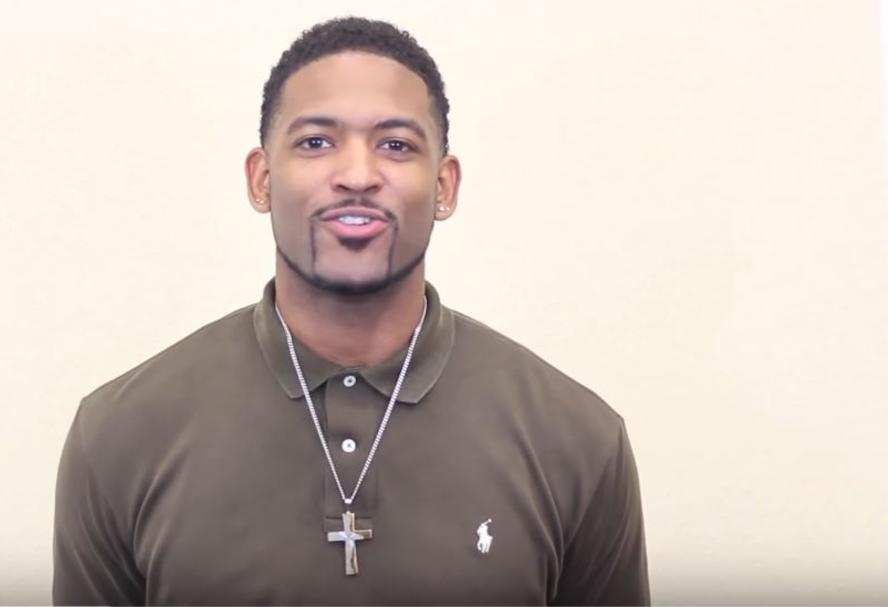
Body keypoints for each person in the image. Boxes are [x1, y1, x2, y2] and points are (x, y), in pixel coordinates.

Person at [53, 16, 649, 605]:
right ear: (262, 180)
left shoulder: (578, 441)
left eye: (396, 145)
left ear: (444, 187)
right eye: (316, 142)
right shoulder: (119, 437)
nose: (358, 176)